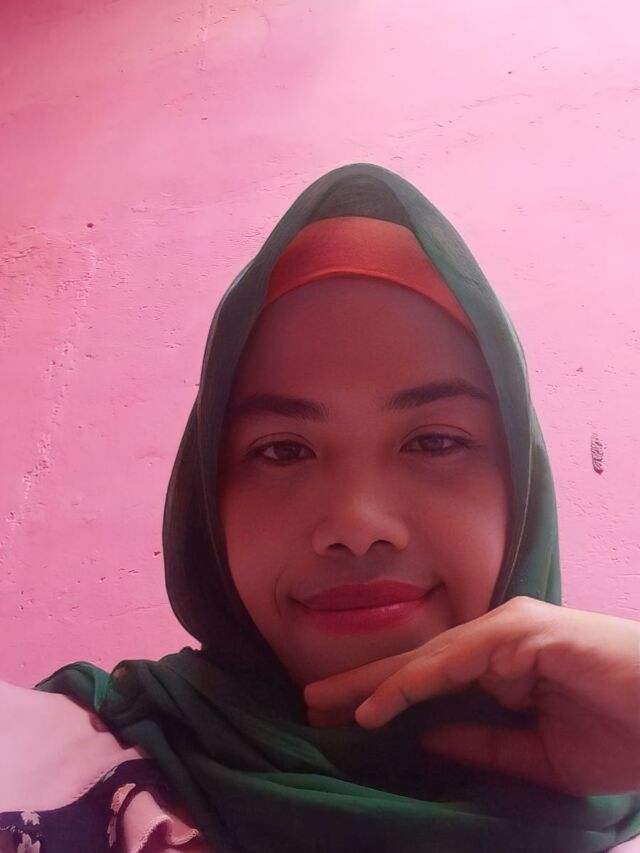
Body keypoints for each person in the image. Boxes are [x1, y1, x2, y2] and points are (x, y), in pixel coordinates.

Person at [1, 163, 639, 852]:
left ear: (519, 491)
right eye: (282, 451)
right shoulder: (64, 773)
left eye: (434, 441)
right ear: (207, 506)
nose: (356, 526)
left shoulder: (617, 776)